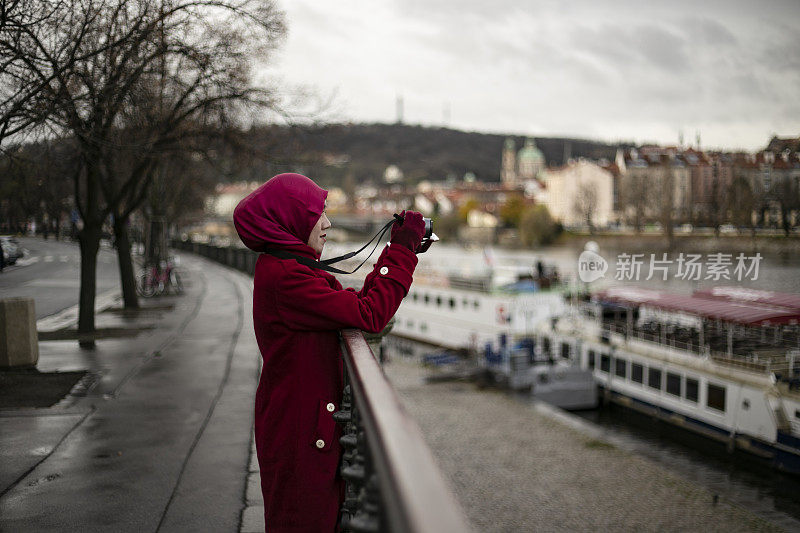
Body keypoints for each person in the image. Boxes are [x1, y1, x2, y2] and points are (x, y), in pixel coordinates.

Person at [232, 173, 425, 532]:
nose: (328, 224)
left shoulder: (291, 268)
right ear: (292, 219)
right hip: (300, 435)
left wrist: (395, 249)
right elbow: (370, 314)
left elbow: (354, 305)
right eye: (318, 214)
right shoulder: (288, 277)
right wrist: (402, 249)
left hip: (302, 426)